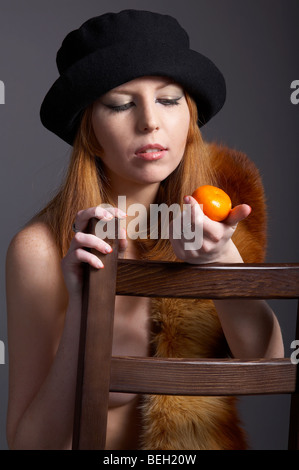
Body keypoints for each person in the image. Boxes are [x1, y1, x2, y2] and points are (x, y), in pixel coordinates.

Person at [6, 9, 284, 450]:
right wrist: (83, 307)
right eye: (120, 103)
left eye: (170, 100)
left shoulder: (218, 219)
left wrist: (221, 264)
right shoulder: (40, 250)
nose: (150, 121)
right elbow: (29, 444)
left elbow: (268, 369)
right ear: (91, 131)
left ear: (190, 117)